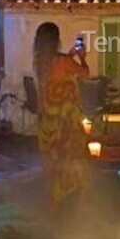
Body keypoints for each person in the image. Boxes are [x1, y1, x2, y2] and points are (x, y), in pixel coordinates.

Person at [33, 22, 90, 212]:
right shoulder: (63, 61)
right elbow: (85, 74)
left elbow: (56, 76)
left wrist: (70, 54)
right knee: (74, 161)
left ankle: (52, 205)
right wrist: (81, 58)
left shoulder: (40, 63)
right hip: (65, 124)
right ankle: (79, 205)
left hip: (47, 122)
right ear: (56, 40)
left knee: (52, 164)